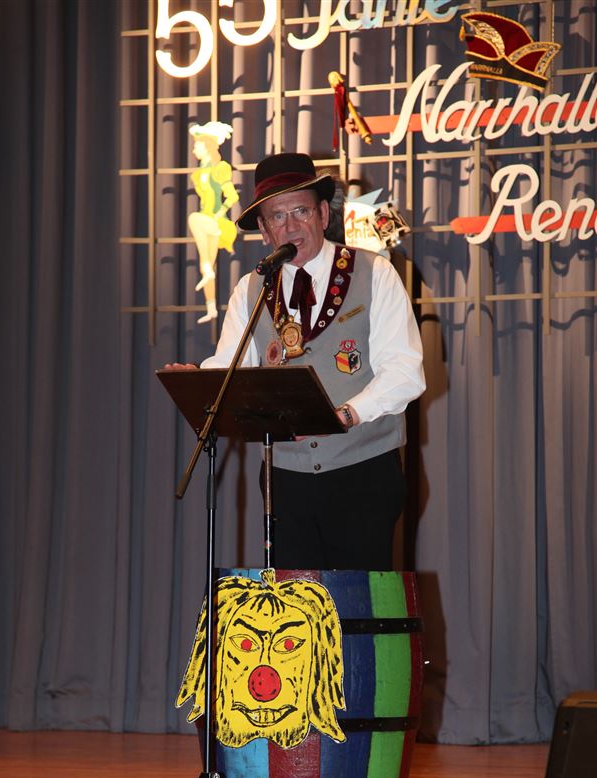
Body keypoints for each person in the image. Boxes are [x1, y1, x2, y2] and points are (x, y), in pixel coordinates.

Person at [170, 152, 425, 571]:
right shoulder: (251, 289)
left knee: (357, 603)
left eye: (300, 211)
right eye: (277, 216)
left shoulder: (374, 273)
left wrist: (346, 414)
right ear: (264, 230)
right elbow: (231, 365)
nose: (290, 226)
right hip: (285, 480)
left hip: (362, 472)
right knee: (294, 604)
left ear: (323, 214)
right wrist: (198, 383)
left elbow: (404, 371)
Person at [188, 122, 239, 324]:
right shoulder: (199, 173)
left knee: (193, 218)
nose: (194, 149)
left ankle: (206, 266)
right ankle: (211, 308)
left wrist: (219, 214)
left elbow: (232, 196)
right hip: (206, 222)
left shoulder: (219, 169)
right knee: (207, 268)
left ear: (207, 146)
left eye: (197, 145)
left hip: (218, 224)